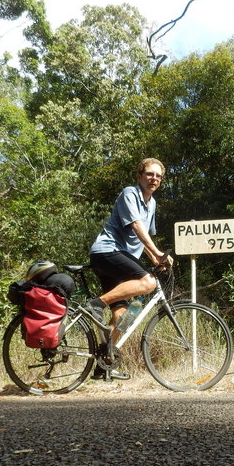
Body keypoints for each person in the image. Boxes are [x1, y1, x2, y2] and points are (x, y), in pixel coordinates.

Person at [83, 157, 174, 379]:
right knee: (148, 283)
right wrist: (159, 253)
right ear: (140, 176)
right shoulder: (129, 194)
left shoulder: (151, 203)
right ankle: (95, 305)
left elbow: (141, 238)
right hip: (107, 252)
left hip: (118, 258)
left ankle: (103, 365)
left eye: (158, 176)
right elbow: (135, 226)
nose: (154, 179)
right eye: (150, 174)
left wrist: (154, 258)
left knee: (123, 317)